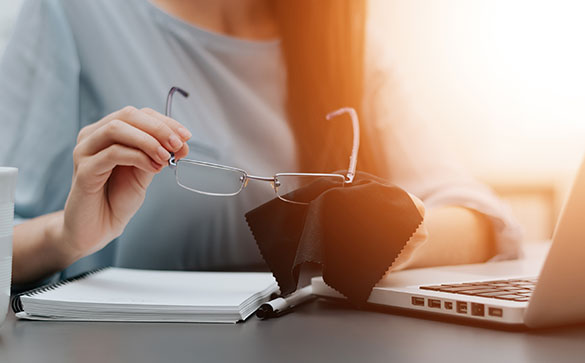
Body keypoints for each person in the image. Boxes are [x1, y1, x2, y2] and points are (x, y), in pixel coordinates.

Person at [0, 0, 521, 286]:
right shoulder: (70, 12)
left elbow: (483, 220)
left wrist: (394, 235)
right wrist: (67, 236)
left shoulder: (343, 37)